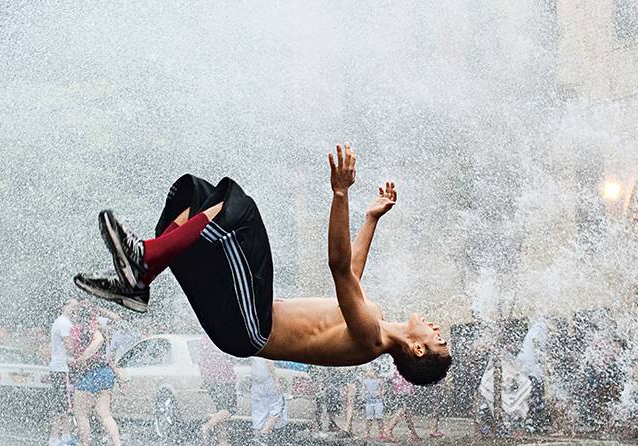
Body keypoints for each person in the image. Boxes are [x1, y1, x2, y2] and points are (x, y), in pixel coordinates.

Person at [74, 144, 451, 385]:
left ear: (418, 350)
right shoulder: (373, 321)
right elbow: (351, 277)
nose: (438, 330)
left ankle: (143, 264)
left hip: (250, 326)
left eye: (439, 340)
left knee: (240, 212)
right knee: (198, 195)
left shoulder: (371, 336)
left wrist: (340, 194)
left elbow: (338, 267)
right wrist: (371, 219)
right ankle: (142, 275)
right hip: (241, 320)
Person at [69, 310, 125, 446]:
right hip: (105, 372)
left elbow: (98, 341)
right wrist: (119, 380)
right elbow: (109, 358)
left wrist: (81, 358)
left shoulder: (85, 328)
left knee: (81, 413)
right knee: (104, 413)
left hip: (90, 373)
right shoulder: (103, 327)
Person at [46, 297, 81, 446]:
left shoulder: (60, 321)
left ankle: (65, 436)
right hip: (61, 369)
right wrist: (79, 355)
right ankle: (55, 438)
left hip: (58, 367)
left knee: (62, 404)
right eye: (72, 306)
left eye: (76, 307)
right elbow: (69, 345)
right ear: (64, 306)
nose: (74, 309)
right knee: (62, 405)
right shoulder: (64, 323)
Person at [198, 336, 238, 446]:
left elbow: (201, 360)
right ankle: (207, 426)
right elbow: (233, 356)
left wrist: (204, 378)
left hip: (211, 380)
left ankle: (222, 442)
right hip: (225, 380)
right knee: (230, 409)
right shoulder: (224, 336)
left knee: (220, 410)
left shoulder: (205, 339)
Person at [383, 360, 423, 442]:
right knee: (404, 408)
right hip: (404, 382)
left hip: (401, 380)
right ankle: (388, 429)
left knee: (407, 411)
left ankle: (413, 434)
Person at [249, 357, 286, 437]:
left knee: (259, 410)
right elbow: (269, 363)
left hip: (257, 384)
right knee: (276, 408)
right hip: (268, 383)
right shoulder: (266, 349)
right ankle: (264, 433)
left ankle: (257, 435)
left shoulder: (255, 351)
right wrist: (276, 381)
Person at [359, 366, 386, 440]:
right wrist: (363, 395)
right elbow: (363, 389)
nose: (370, 373)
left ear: (375, 372)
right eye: (369, 371)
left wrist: (381, 393)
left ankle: (381, 433)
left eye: (372, 371)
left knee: (379, 417)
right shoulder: (365, 381)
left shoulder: (379, 380)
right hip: (369, 402)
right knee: (369, 418)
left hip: (378, 401)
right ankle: (367, 432)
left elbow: (384, 389)